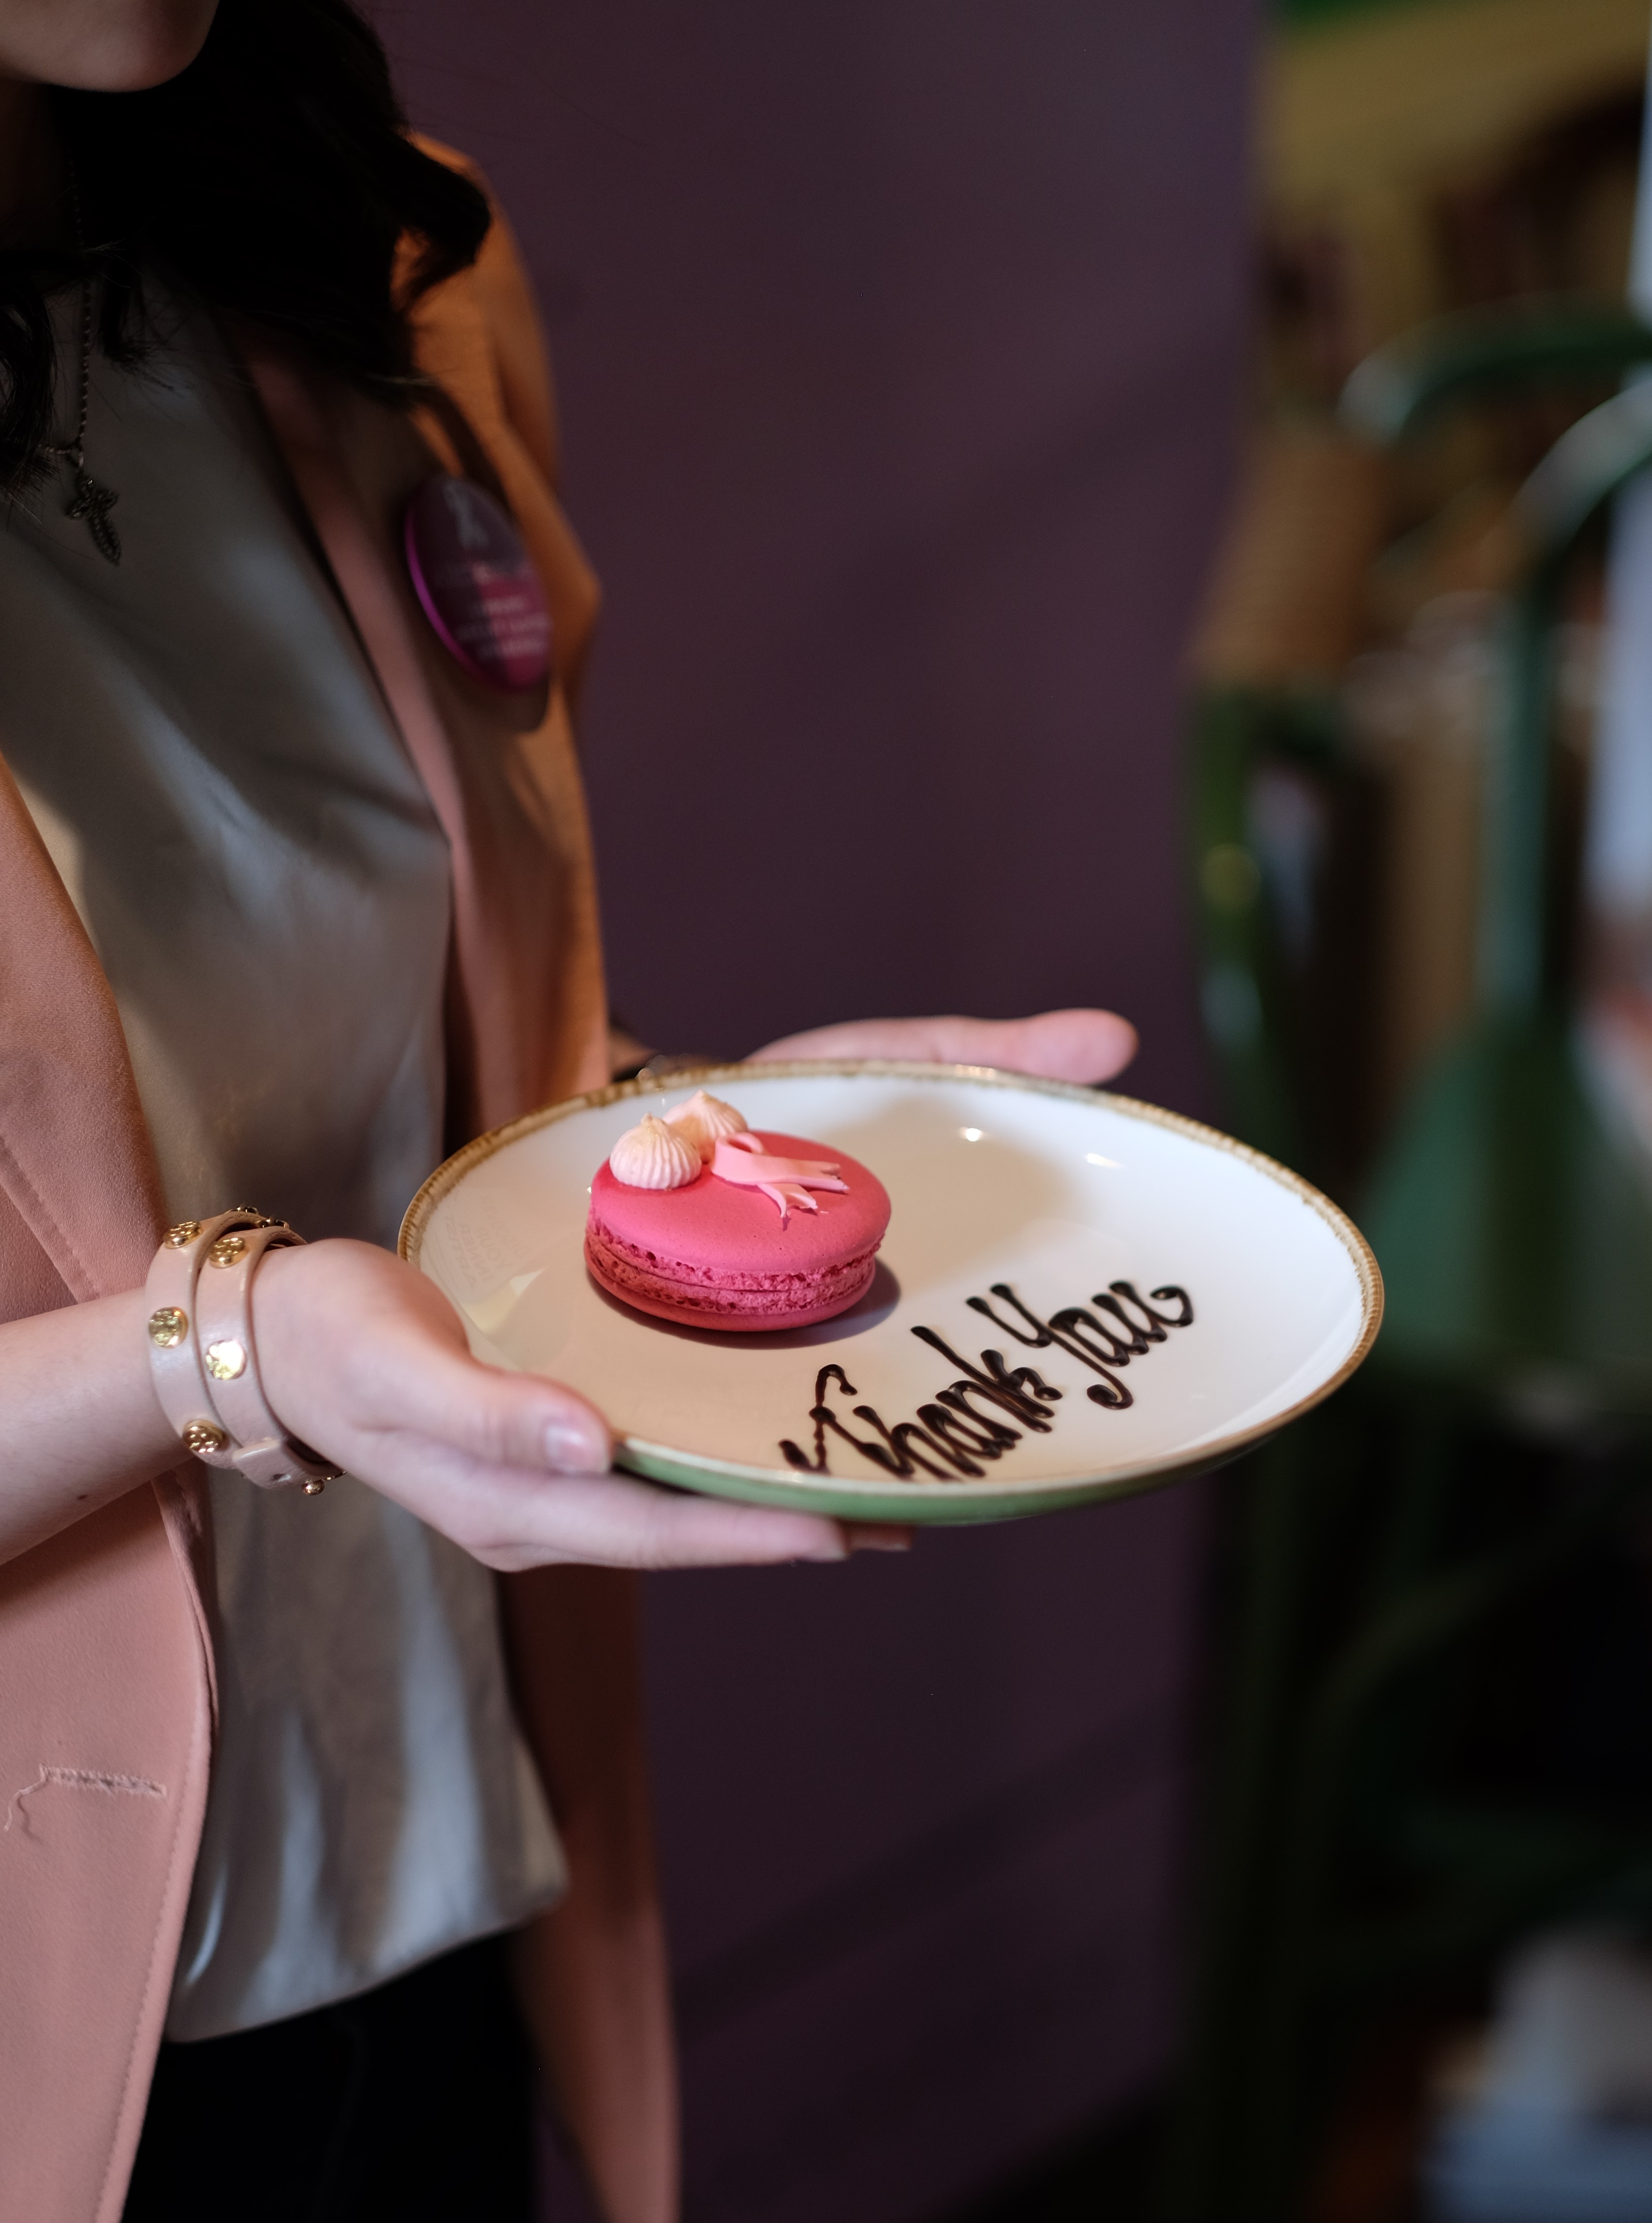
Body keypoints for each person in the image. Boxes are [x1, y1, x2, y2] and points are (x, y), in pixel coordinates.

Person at [0, 5, 1138, 2219]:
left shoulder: (372, 263)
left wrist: (682, 1141)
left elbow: (353, 1067)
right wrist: (225, 1353)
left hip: (435, 1876)